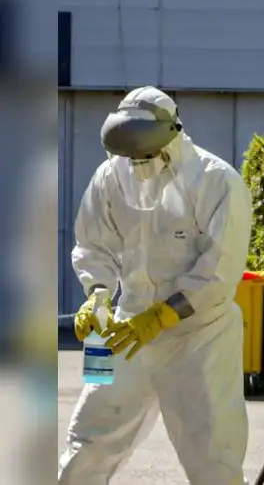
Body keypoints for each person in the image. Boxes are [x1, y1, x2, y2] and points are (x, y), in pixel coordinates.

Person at [58, 86, 253, 485]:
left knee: (211, 451)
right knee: (89, 440)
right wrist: (96, 294)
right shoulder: (111, 174)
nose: (136, 164)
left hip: (200, 335)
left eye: (143, 154)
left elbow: (219, 270)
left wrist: (165, 313)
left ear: (171, 135)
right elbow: (92, 242)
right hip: (128, 330)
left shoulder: (215, 181)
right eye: (128, 156)